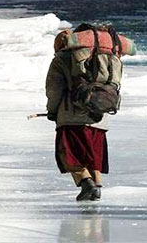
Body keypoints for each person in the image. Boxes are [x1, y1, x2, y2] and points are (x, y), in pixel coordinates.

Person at [46, 24, 130, 201]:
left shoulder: (63, 58)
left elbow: (54, 89)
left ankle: (87, 184)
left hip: (71, 117)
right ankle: (96, 187)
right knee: (94, 155)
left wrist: (52, 111)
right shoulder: (110, 56)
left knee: (69, 155)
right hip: (100, 117)